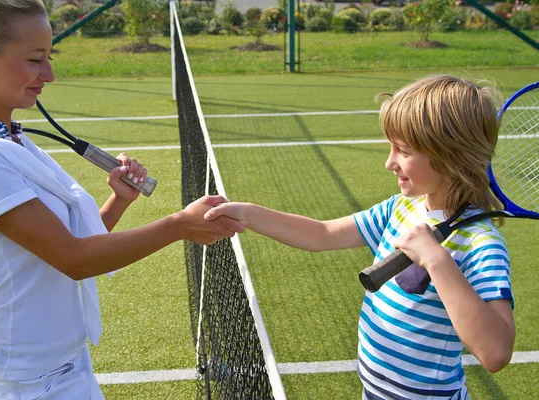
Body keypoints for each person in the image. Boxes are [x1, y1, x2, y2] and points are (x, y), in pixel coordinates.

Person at [0, 1, 243, 399]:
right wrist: (178, 226)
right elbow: (74, 259)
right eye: (34, 60)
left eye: (49, 57)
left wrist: (118, 201)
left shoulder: (9, 138)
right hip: (32, 378)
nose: (48, 74)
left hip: (52, 362)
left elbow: (55, 245)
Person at [204, 75, 515, 399]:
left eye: (403, 151)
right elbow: (322, 235)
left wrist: (436, 260)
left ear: (451, 157)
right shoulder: (400, 208)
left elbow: (495, 352)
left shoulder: (481, 243)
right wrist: (249, 214)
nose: (389, 162)